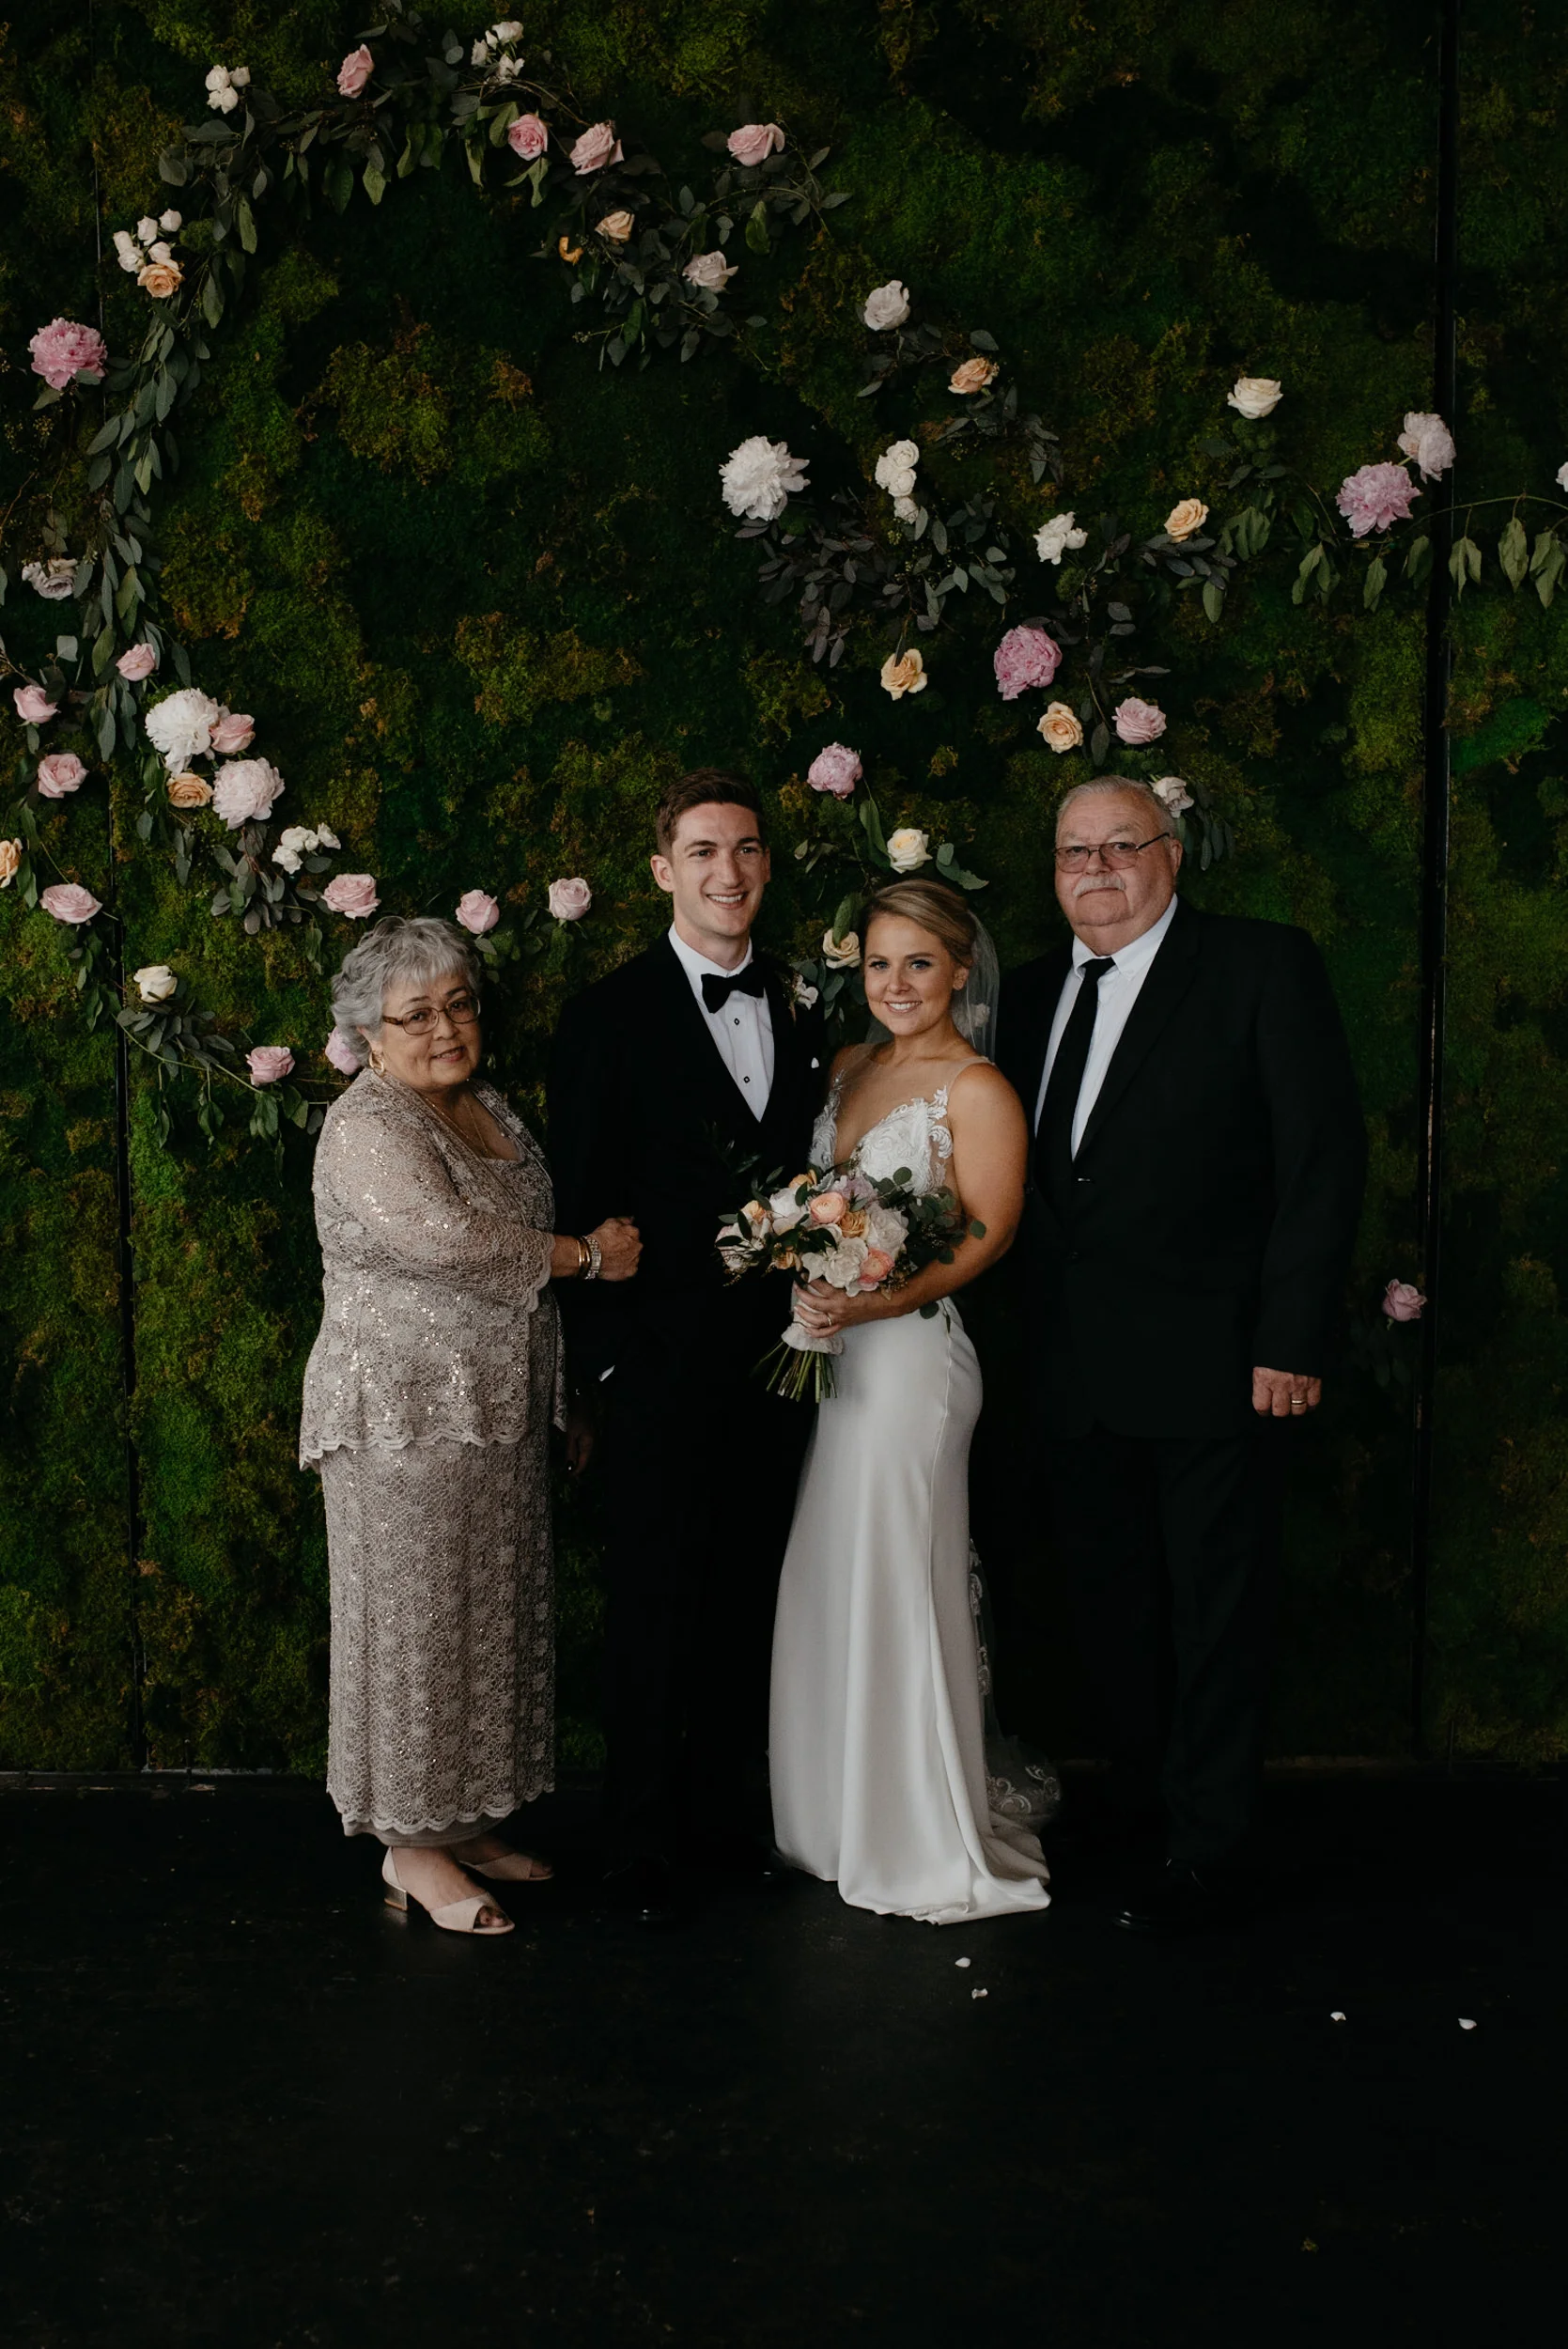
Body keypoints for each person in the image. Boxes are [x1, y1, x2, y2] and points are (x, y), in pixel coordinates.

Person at [995, 778, 1366, 1934]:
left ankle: (1211, 1845)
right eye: (1073, 852)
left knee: (1217, 1610)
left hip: (1218, 1362)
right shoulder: (1026, 988)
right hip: (1068, 1369)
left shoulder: (1260, 966)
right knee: (1107, 1609)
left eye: (1121, 846)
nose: (1096, 870)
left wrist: (1290, 1338)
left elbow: (1321, 1161)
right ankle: (1145, 1807)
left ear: (1172, 854)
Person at [300, 916, 640, 1936]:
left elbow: (514, 1277)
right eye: (416, 1013)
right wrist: (588, 1254)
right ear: (368, 1033)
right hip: (401, 1418)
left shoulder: (485, 1105)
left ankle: (467, 1819)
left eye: (458, 1002)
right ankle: (409, 1846)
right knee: (414, 1631)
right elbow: (449, 1242)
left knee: (485, 1622)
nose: (445, 1026)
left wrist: (567, 1392)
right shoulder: (367, 1124)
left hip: (493, 1412)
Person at [548, 770, 826, 1925]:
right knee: (654, 1601)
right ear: (663, 869)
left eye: (747, 849)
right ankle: (640, 1837)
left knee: (752, 1595)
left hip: (787, 1364)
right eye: (704, 851)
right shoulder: (606, 1015)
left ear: (766, 864)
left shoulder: (808, 1007)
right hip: (659, 1363)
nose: (729, 872)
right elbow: (581, 1193)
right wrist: (609, 1363)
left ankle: (725, 1819)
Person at [770, 879, 1051, 1924]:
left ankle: (913, 1823)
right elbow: (817, 1207)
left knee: (898, 1571)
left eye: (918, 964)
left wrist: (881, 1297)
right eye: (879, 963)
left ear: (959, 972)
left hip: (915, 1365)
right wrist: (805, 1267)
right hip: (838, 1357)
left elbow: (988, 1232)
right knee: (834, 1568)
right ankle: (835, 1811)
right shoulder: (848, 1068)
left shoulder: (975, 1088)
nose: (895, 983)